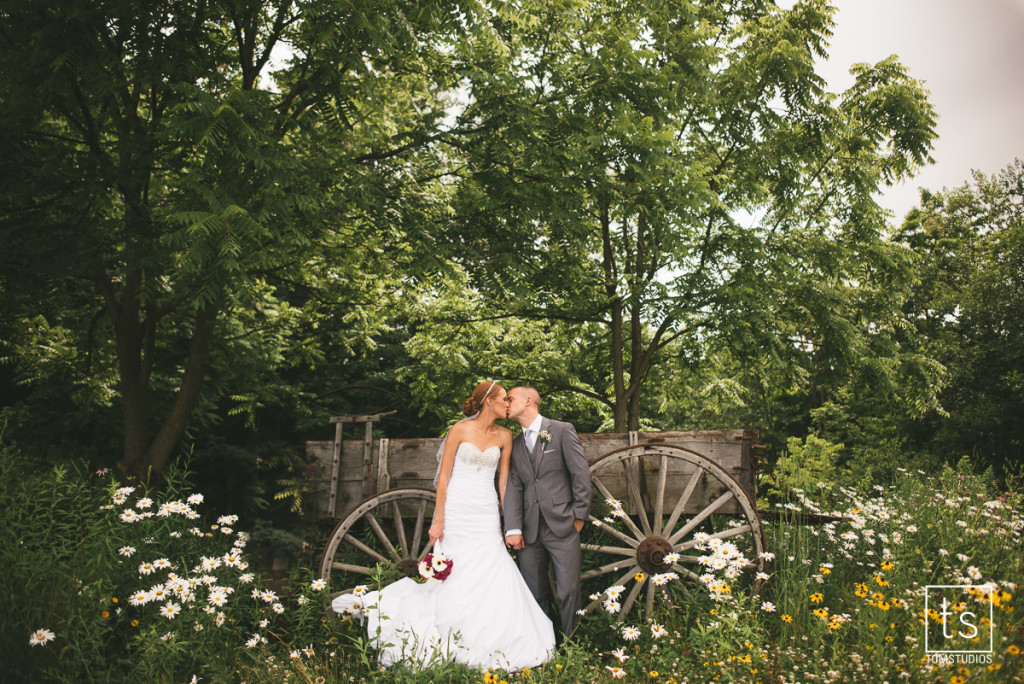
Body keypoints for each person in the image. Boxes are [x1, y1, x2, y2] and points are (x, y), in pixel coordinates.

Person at [333, 381, 555, 671]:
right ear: (488, 402)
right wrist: (438, 520)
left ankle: (491, 637)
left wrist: (509, 522)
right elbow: (445, 477)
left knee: (491, 567)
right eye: (503, 399)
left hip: (485, 512)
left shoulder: (505, 436)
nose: (507, 404)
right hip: (457, 510)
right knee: (455, 569)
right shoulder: (459, 431)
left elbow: (503, 483)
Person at [504, 386, 591, 639]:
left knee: (568, 590)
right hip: (528, 533)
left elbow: (580, 473)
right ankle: (543, 646)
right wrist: (513, 527)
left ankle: (572, 646)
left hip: (563, 525)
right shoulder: (516, 442)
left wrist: (578, 515)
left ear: (528, 400)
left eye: (511, 399)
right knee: (534, 592)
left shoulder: (561, 430)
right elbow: (514, 486)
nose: (507, 404)